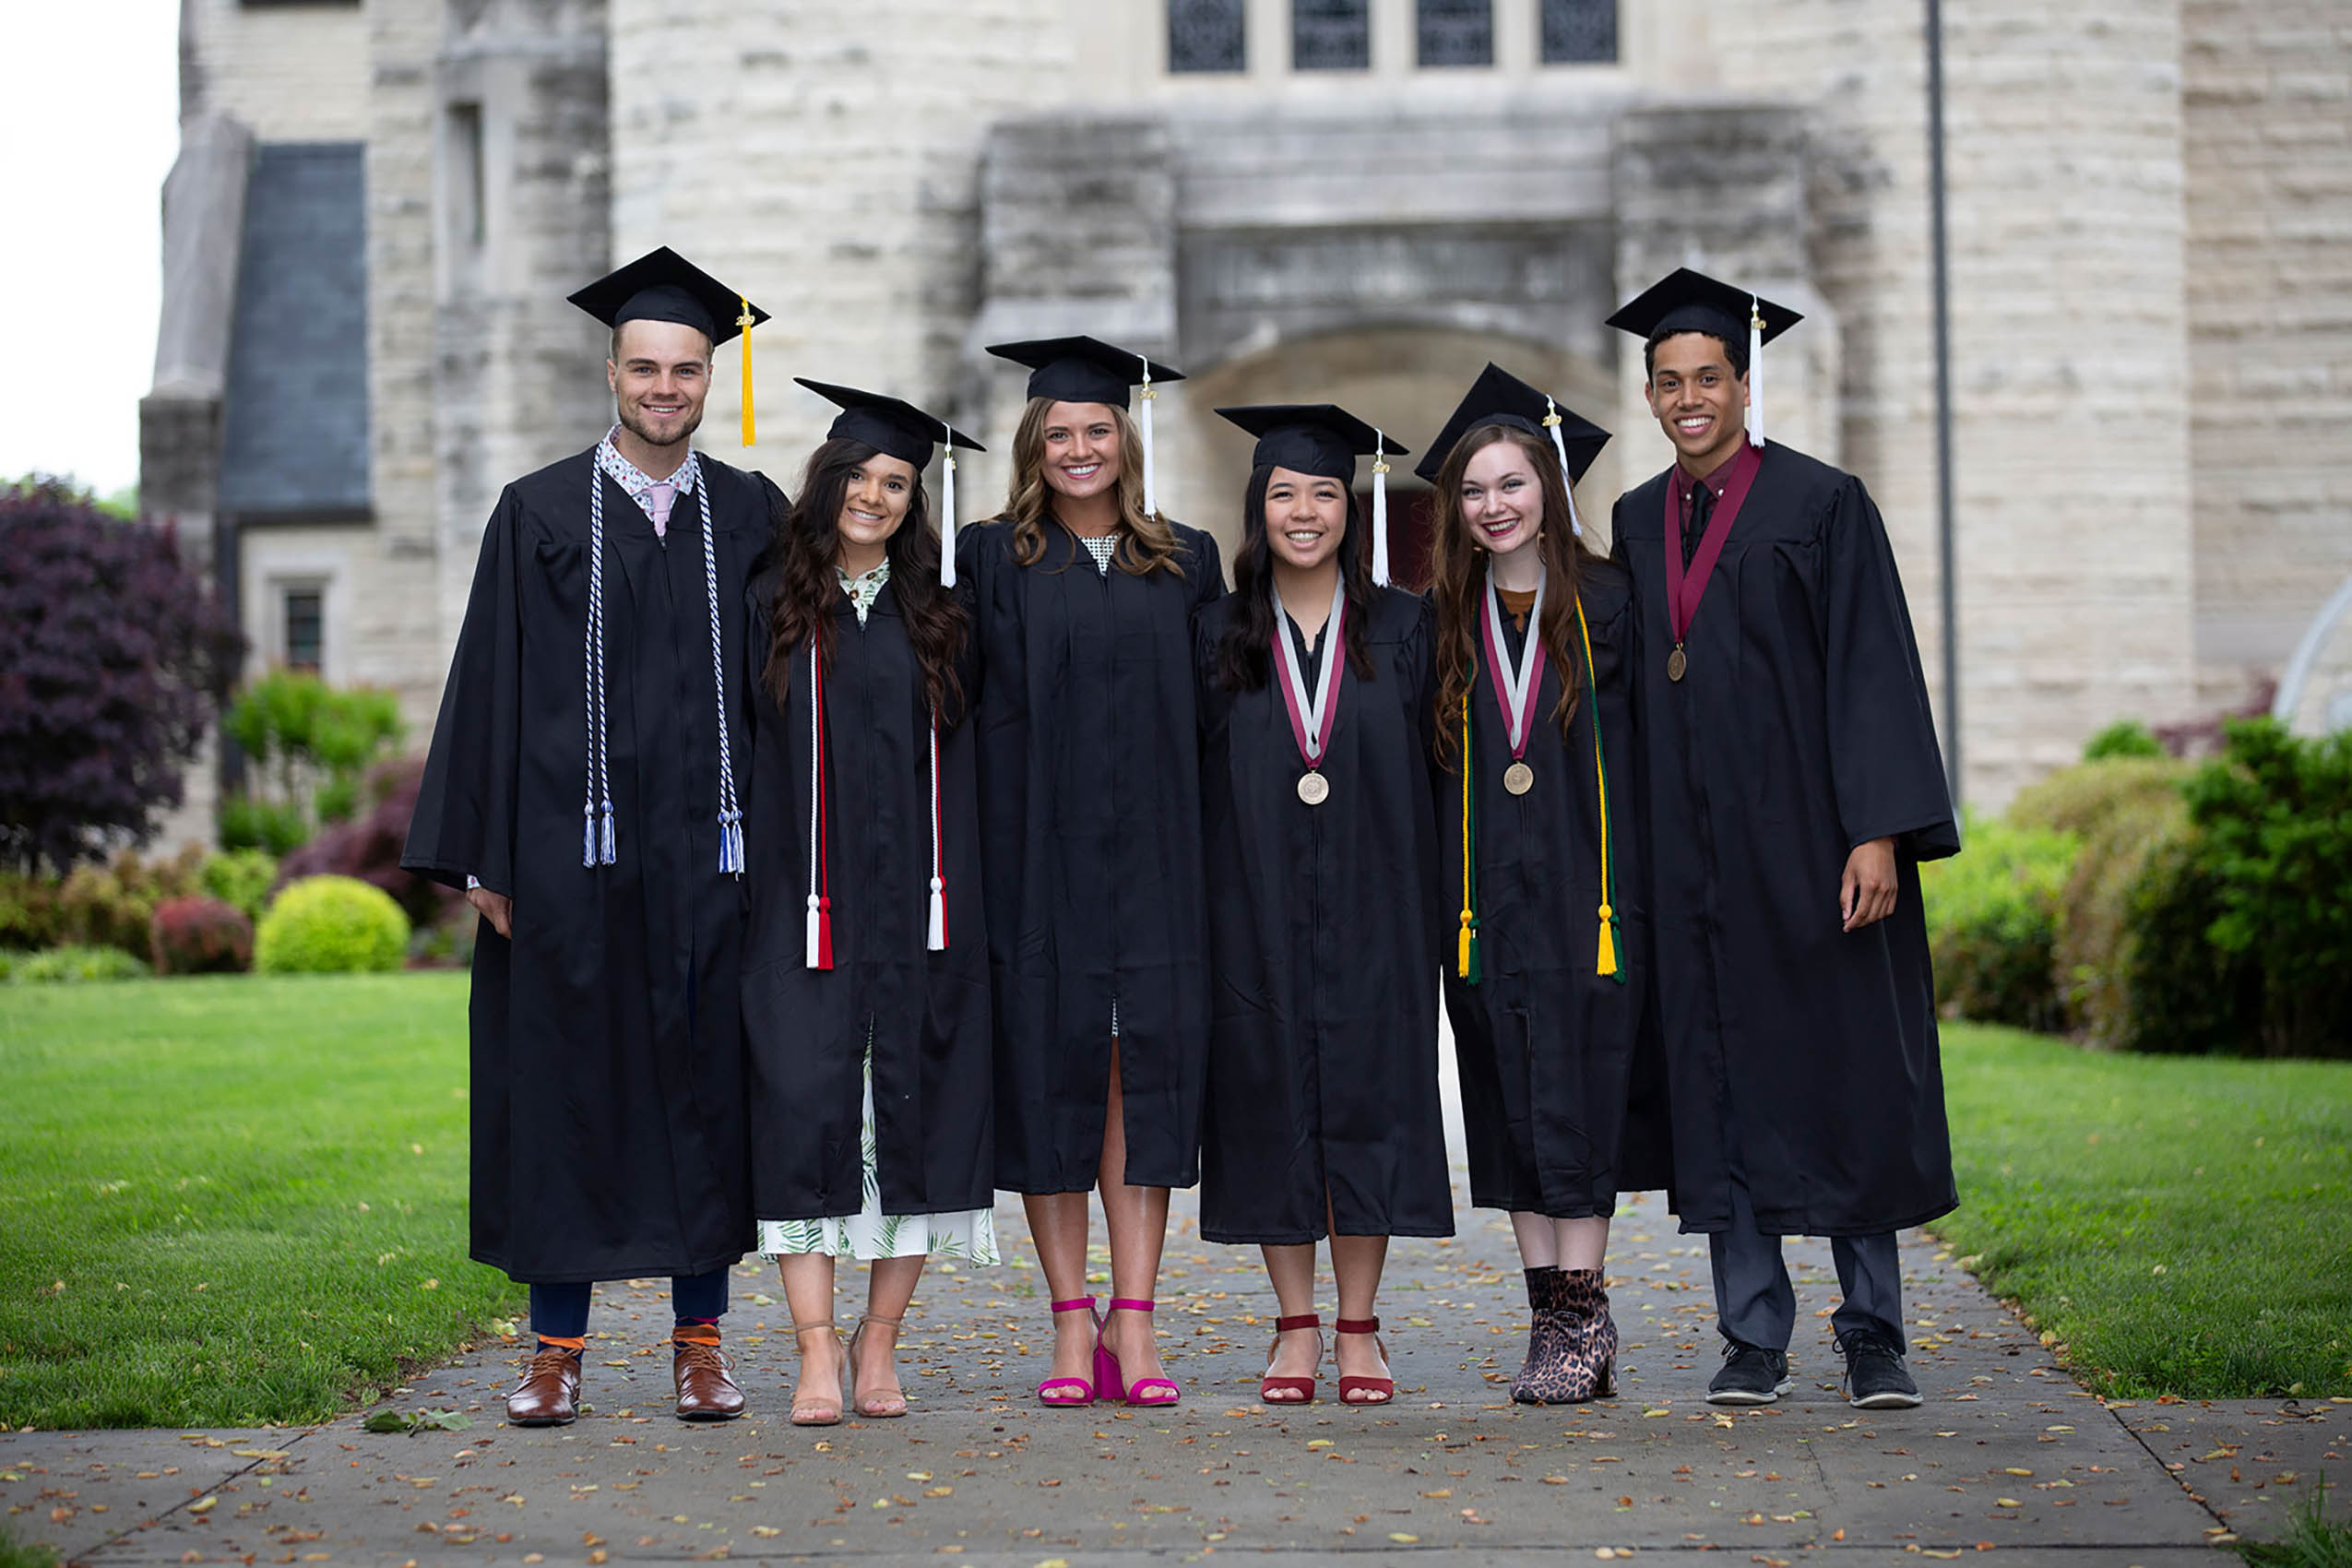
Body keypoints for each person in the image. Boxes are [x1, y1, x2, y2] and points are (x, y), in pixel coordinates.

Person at [403, 246, 771, 1425]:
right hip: (571, 859)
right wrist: (484, 855)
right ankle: (554, 1346)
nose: (666, 386)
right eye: (646, 366)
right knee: (563, 1085)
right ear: (611, 369)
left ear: (712, 377)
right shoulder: (539, 511)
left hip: (712, 861)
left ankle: (700, 1341)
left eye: (687, 369)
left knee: (707, 1086)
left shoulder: (750, 513)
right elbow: (487, 684)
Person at [1602, 267, 1959, 1411]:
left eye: (1710, 376)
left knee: (1844, 1075)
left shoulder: (1823, 502)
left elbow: (1872, 672)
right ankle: (1752, 1332)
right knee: (1719, 1079)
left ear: (1745, 384)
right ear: (1650, 396)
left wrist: (1879, 834)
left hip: (1813, 851)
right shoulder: (1632, 518)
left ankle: (1873, 1333)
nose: (1690, 396)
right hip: (1693, 860)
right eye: (1670, 381)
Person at [958, 336, 1225, 1408]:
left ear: (1127, 438)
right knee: (1054, 1079)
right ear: (1034, 444)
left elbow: (1218, 716)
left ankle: (1139, 1321)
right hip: (1036, 863)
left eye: (1097, 430)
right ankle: (1074, 1326)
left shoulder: (1187, 558)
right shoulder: (990, 557)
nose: (1079, 448)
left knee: (1142, 1082)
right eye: (1059, 432)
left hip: (1161, 863)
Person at [741, 380, 997, 1426]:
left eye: (896, 481)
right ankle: (812, 1352)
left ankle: (877, 1342)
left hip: (923, 909)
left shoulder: (939, 617)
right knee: (805, 1112)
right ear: (828, 479)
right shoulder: (770, 603)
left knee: (919, 1121)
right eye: (860, 475)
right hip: (802, 909)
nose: (875, 495)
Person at [1420, 363, 1672, 1404]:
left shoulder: (1613, 600)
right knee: (1510, 1092)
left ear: (1550, 488)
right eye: (1475, 490)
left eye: (1511, 484)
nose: (1493, 506)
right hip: (1483, 904)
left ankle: (1585, 1311)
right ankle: (1550, 1319)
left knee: (1580, 1089)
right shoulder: (1442, 617)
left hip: (1594, 893)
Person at [1194, 405, 1450, 1408]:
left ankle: (1358, 1323)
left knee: (1369, 1102)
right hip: (1248, 903)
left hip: (1380, 906)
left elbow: (1439, 770)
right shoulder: (1216, 627)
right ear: (1259, 507)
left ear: (1354, 504)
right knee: (1267, 1103)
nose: (1306, 512)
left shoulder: (1406, 623)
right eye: (1285, 494)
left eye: (1326, 493)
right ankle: (1295, 1323)